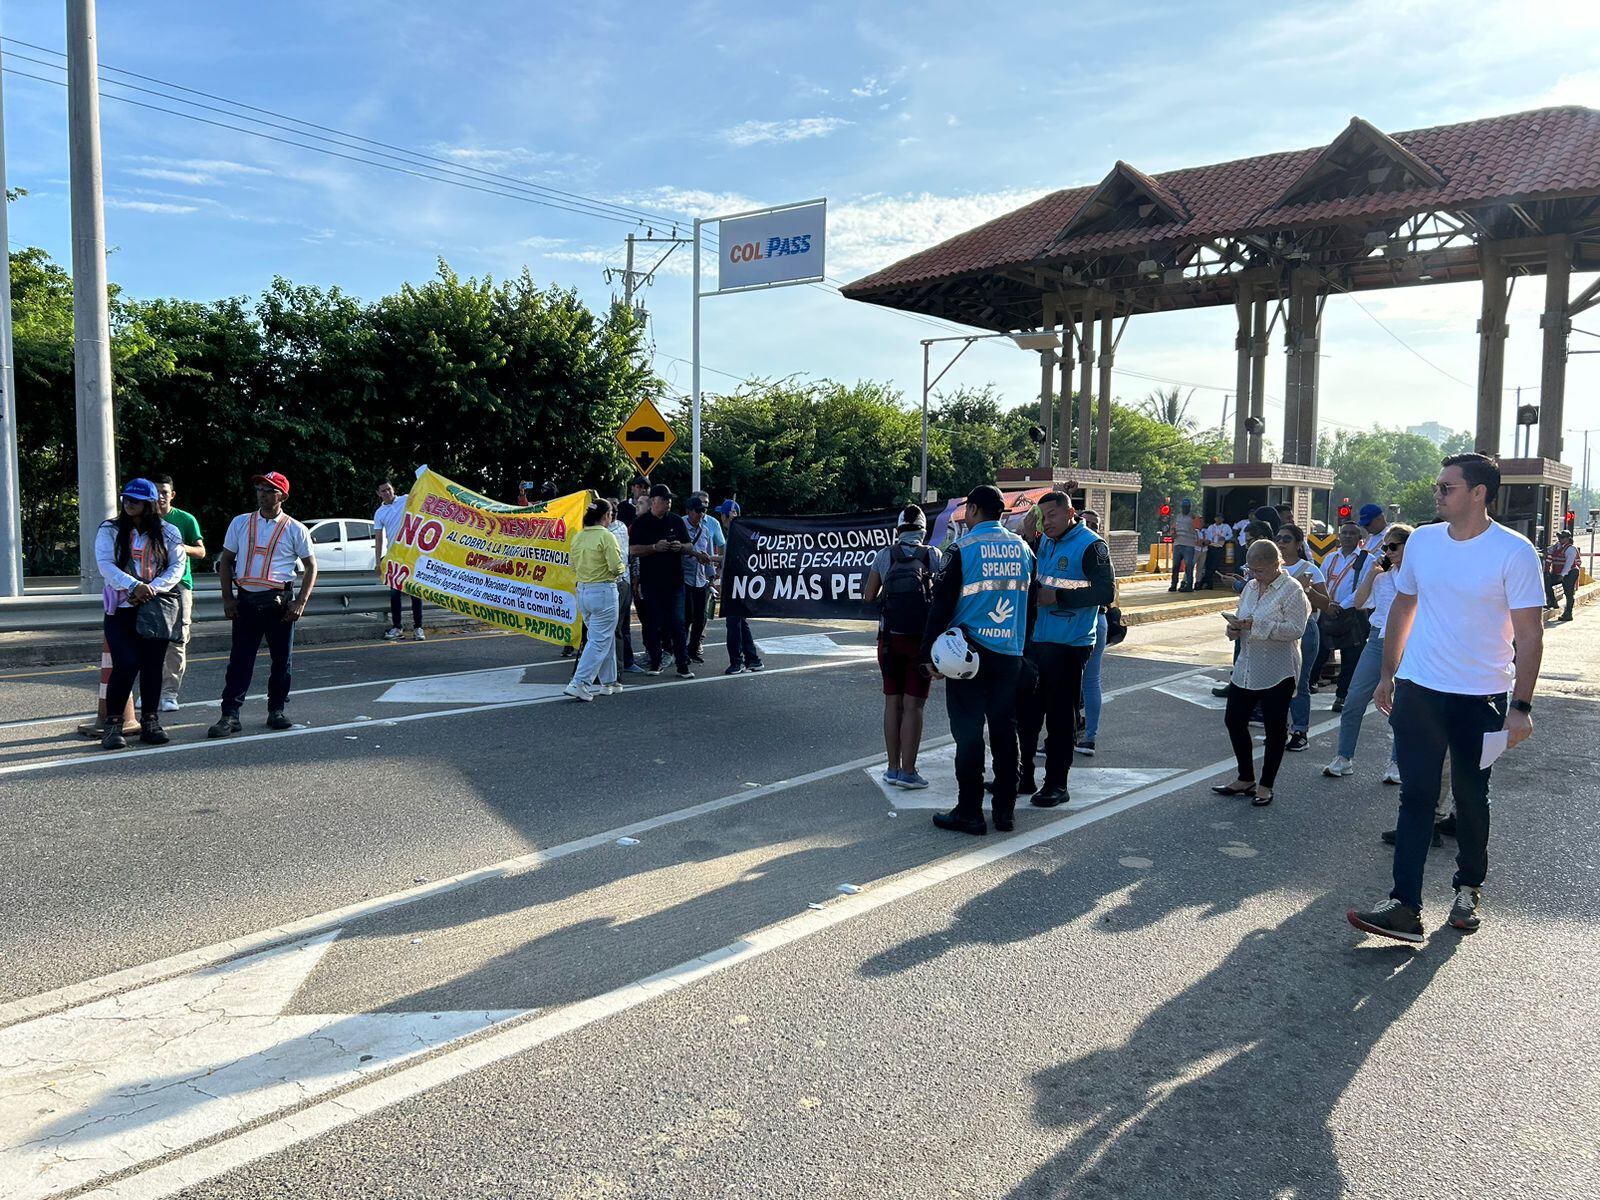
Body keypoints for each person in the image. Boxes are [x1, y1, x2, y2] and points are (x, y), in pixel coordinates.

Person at [1348, 453, 1545, 941]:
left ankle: (1467, 890)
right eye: (1438, 487)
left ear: (1478, 493)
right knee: (1415, 798)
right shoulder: (1424, 543)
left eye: (1446, 488)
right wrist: (1389, 672)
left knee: (1472, 798)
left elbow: (1531, 635)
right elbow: (1405, 605)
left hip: (1482, 700)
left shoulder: (1515, 552)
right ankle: (1404, 906)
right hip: (1419, 691)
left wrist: (1520, 707)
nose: (1436, 495)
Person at [922, 485, 1034, 835]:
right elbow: (1029, 604)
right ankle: (1004, 812)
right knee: (1005, 730)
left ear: (972, 510)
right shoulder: (1024, 549)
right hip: (1009, 655)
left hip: (968, 655)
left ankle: (969, 811)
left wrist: (929, 655)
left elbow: (940, 606)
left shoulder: (961, 549)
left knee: (969, 734)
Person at [1018, 493, 1115, 804]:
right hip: (1039, 639)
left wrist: (1057, 597)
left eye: (1052, 515)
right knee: (1028, 714)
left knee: (1060, 717)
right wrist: (1028, 535)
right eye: (1042, 516)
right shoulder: (1045, 540)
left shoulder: (1091, 544)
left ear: (1070, 513)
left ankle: (1057, 784)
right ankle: (1024, 777)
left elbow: (1105, 591)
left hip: (1070, 643)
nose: (1047, 521)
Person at [209, 472, 318, 737]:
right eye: (260, 489)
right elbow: (226, 561)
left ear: (283, 495)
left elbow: (311, 566)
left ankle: (276, 710)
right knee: (239, 660)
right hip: (246, 600)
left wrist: (300, 602)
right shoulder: (241, 522)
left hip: (279, 603)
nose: (262, 493)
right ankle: (230, 715)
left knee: (282, 661)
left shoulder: (295, 528)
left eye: (270, 490)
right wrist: (228, 598)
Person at [1210, 538, 1310, 806]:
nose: (1255, 576)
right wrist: (1234, 628)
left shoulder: (1292, 590)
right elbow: (1241, 615)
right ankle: (1246, 776)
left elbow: (1296, 629)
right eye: (1251, 570)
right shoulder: (1251, 588)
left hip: (1278, 668)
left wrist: (1258, 625)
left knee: (1275, 728)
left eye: (1261, 570)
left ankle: (1266, 784)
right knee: (1234, 719)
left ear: (1277, 564)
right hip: (1247, 665)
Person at [95, 479, 187, 749]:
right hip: (121, 609)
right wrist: (135, 586)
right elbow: (105, 564)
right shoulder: (110, 529)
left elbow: (177, 567)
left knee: (151, 666)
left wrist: (151, 589)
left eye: (135, 500)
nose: (128, 504)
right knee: (125, 663)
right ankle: (113, 725)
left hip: (155, 607)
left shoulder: (168, 532)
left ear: (149, 503)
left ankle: (150, 721)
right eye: (125, 499)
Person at [1324, 524, 1412, 783]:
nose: (1389, 551)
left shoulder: (1419, 576)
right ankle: (1344, 757)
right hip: (1377, 640)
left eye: (1394, 546)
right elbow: (1360, 602)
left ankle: (1397, 763)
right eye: (1386, 547)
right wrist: (1371, 575)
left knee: (1401, 705)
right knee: (1354, 699)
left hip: (1410, 643)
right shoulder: (1381, 575)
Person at [864, 505, 943, 789]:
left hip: (888, 639)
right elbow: (944, 596)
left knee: (892, 702)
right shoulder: (932, 555)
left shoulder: (884, 555)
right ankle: (909, 771)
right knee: (914, 706)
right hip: (920, 642)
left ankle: (892, 767)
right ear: (923, 530)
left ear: (898, 530)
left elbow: (869, 595)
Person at [151, 474, 206, 712]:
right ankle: (150, 691)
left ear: (172, 495)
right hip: (150, 584)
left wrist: (177, 546)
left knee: (177, 640)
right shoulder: (142, 518)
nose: (160, 497)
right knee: (150, 639)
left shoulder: (184, 519)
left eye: (165, 492)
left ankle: (169, 694)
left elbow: (201, 552)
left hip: (179, 585)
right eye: (156, 492)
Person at [629, 483, 694, 679]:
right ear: (654, 501)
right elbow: (633, 550)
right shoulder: (641, 522)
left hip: (675, 581)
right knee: (652, 623)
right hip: (651, 581)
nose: (669, 503)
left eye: (670, 500)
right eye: (665, 500)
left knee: (678, 623)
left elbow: (690, 546)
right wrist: (654, 547)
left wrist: (679, 546)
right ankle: (655, 662)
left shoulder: (675, 521)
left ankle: (683, 664)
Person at [1274, 524, 1328, 753]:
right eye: (1278, 538)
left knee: (1299, 682)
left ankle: (1300, 732)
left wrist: (1307, 590)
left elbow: (1326, 603)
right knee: (1277, 682)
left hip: (1305, 630)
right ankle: (1278, 729)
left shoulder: (1310, 569)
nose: (1281, 542)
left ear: (1298, 544)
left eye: (1286, 539)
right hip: (1279, 630)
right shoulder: (1272, 568)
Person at [565, 498, 626, 701]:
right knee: (599, 639)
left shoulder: (578, 537)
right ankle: (580, 682)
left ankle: (609, 681)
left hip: (583, 590)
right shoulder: (606, 536)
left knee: (601, 636)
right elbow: (617, 567)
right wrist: (621, 570)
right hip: (604, 590)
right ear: (606, 516)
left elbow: (572, 566)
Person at [1316, 522, 1374, 710]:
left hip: (1353, 614)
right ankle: (1305, 686)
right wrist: (1327, 605)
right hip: (1329, 612)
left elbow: (1363, 588)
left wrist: (1342, 606)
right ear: (1338, 537)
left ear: (1359, 538)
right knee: (1318, 652)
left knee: (1351, 658)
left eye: (1352, 534)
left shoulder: (1368, 560)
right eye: (1344, 533)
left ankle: (1342, 696)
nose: (1347, 536)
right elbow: (1321, 583)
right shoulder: (1330, 558)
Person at [372, 479, 424, 641]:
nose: (387, 493)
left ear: (393, 488)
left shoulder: (405, 500)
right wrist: (378, 561)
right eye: (383, 491)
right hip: (394, 556)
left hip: (411, 554)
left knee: (415, 592)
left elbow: (423, 497)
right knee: (395, 594)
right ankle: (397, 627)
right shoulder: (379, 513)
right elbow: (379, 539)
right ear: (378, 494)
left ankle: (418, 628)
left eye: (388, 489)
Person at [681, 495, 719, 664]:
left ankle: (693, 649)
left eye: (703, 511)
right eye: (698, 511)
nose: (701, 514)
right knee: (686, 617)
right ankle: (680, 651)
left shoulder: (705, 531)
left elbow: (709, 554)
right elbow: (677, 551)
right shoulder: (681, 527)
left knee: (700, 618)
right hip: (684, 578)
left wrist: (711, 578)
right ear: (689, 511)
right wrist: (694, 555)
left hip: (701, 579)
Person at [608, 500, 641, 674]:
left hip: (620, 582)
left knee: (620, 628)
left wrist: (632, 575)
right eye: (609, 511)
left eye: (614, 510)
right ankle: (617, 666)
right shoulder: (605, 531)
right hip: (615, 583)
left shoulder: (617, 528)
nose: (612, 514)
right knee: (616, 628)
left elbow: (626, 556)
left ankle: (622, 664)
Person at [1545, 530, 1579, 622]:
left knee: (1568, 592)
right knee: (1546, 582)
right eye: (1559, 537)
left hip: (1570, 572)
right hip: (1558, 572)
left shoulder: (1571, 549)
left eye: (1563, 537)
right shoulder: (1557, 546)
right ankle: (1552, 601)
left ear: (1568, 538)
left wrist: (1562, 575)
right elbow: (1550, 552)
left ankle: (1568, 613)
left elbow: (1569, 563)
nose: (1560, 539)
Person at [1168, 498, 1198, 592]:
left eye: (1187, 507)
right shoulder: (1177, 517)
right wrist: (1173, 533)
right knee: (1176, 566)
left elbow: (1198, 529)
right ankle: (1173, 584)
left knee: (1189, 566)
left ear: (1189, 508)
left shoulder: (1193, 518)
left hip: (1189, 545)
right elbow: (1173, 527)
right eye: (1184, 507)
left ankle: (1189, 585)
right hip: (1178, 543)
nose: (1185, 509)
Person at [1199, 515, 1230, 590]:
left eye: (1220, 518)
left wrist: (1225, 538)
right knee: (1208, 565)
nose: (1218, 519)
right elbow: (1207, 536)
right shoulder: (1211, 527)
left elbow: (1231, 534)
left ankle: (1205, 581)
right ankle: (1209, 583)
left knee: (1214, 566)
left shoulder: (1226, 526)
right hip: (1211, 546)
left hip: (1219, 547)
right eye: (1217, 518)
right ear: (1215, 518)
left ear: (1223, 519)